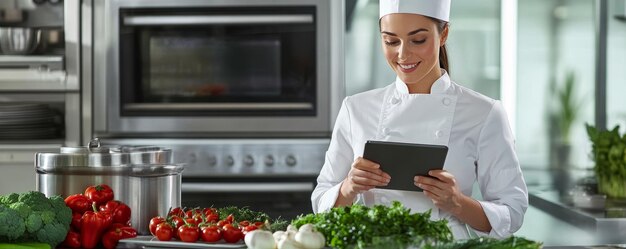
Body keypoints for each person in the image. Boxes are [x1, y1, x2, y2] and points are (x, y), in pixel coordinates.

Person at [311, 0, 528, 239]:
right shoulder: (356, 109)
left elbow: (512, 211)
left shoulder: (484, 113)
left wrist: (457, 203)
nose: (403, 54)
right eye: (391, 41)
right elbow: (321, 200)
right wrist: (349, 187)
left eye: (418, 40)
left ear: (443, 33)